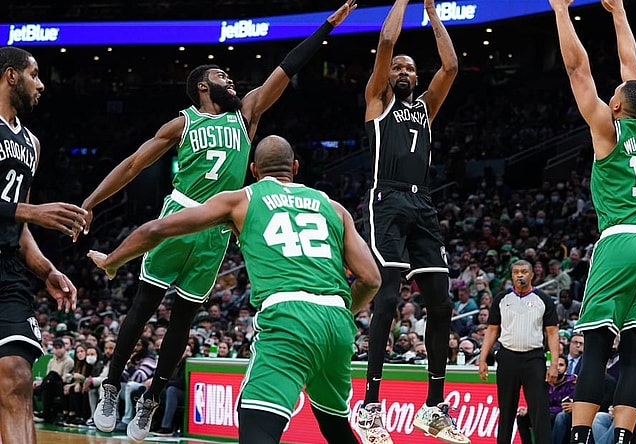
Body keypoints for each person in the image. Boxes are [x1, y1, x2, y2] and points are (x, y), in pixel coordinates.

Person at [82, 2, 359, 441]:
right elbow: (134, 163)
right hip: (180, 213)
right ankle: (112, 384)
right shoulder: (184, 121)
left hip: (213, 233)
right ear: (201, 86)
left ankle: (151, 399)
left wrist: (326, 26)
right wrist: (91, 202)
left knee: (182, 321)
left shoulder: (246, 115)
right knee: (142, 308)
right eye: (221, 76)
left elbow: (285, 70)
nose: (230, 80)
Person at [88, 135, 381, 444]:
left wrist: (113, 261)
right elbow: (371, 279)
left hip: (289, 317)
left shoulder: (243, 198)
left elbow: (158, 228)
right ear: (295, 167)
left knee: (256, 425)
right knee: (334, 427)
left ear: (253, 170)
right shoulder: (333, 207)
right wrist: (338, 314)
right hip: (337, 323)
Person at [549, 1, 636, 443]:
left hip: (620, 240)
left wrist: (560, 10)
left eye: (616, 91)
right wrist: (619, 11)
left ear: (618, 101)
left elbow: (576, 68)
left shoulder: (608, 126)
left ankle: (581, 438)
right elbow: (632, 65)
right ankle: (621, 439)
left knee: (599, 346)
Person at [356, 0, 466, 443]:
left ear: (417, 79)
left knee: (441, 304)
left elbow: (452, 65)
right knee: (387, 297)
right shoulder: (377, 101)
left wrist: (434, 15)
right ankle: (369, 405)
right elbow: (386, 39)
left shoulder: (425, 107)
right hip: (387, 199)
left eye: (409, 68)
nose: (402, 71)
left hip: (424, 205)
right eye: (397, 67)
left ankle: (434, 407)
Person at [0, 46, 87, 444]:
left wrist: (47, 269)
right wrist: (27, 212)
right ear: (10, 75)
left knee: (17, 376)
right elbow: (22, 213)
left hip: (8, 272)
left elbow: (19, 227)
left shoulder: (31, 144)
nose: (42, 84)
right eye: (34, 74)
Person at [478, 260, 560, 444]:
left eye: (524, 272)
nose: (520, 275)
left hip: (534, 358)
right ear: (512, 276)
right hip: (507, 357)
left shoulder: (543, 300)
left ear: (532, 275)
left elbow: (552, 333)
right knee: (506, 409)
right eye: (516, 272)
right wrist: (483, 359)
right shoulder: (501, 298)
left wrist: (554, 364)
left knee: (539, 410)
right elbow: (492, 330)